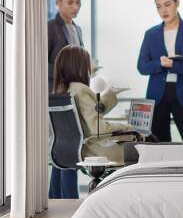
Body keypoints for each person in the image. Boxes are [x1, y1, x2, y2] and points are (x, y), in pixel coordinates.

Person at [49, 46, 135, 198]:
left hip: (68, 149)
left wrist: (110, 94)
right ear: (79, 65)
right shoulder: (81, 90)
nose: (89, 67)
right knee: (138, 150)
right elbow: (98, 128)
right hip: (93, 149)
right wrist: (128, 127)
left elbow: (90, 113)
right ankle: (127, 201)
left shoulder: (62, 90)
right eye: (87, 63)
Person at [137, 0, 183, 142]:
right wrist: (160, 63)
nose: (163, 10)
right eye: (159, 6)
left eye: (167, 4)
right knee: (159, 145)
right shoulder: (150, 34)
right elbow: (142, 66)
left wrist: (172, 65)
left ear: (177, 3)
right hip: (158, 94)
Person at [48, 0, 84, 93]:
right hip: (55, 91)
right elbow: (40, 64)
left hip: (75, 91)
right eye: (70, 2)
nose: (75, 7)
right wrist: (66, 72)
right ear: (58, 2)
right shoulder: (49, 27)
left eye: (78, 2)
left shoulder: (78, 30)